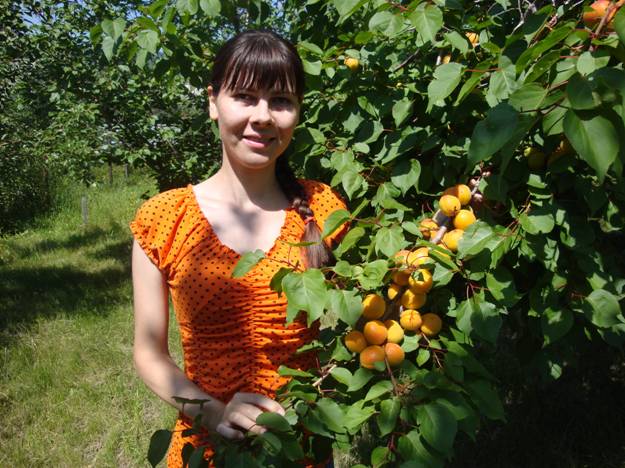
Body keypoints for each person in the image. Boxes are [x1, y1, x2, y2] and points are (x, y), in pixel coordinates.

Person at [130, 29, 347, 466]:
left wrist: (434, 239)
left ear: (297, 111)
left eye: (281, 101)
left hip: (301, 451)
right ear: (213, 102)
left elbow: (374, 306)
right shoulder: (163, 218)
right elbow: (149, 353)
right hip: (206, 450)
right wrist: (214, 414)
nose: (263, 116)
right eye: (245, 97)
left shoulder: (323, 207)